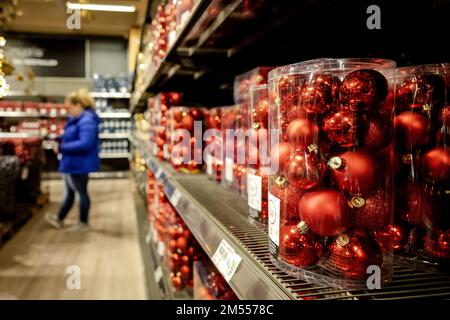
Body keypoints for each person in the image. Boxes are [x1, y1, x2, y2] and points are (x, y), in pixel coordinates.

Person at [45, 88, 100, 232]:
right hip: (72, 163)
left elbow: (85, 143)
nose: (68, 111)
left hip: (80, 164)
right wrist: (59, 139)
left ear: (79, 105)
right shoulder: (77, 120)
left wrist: (63, 147)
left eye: (70, 107)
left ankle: (83, 223)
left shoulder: (87, 121)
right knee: (70, 192)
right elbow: (73, 137)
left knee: (81, 193)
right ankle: (60, 218)